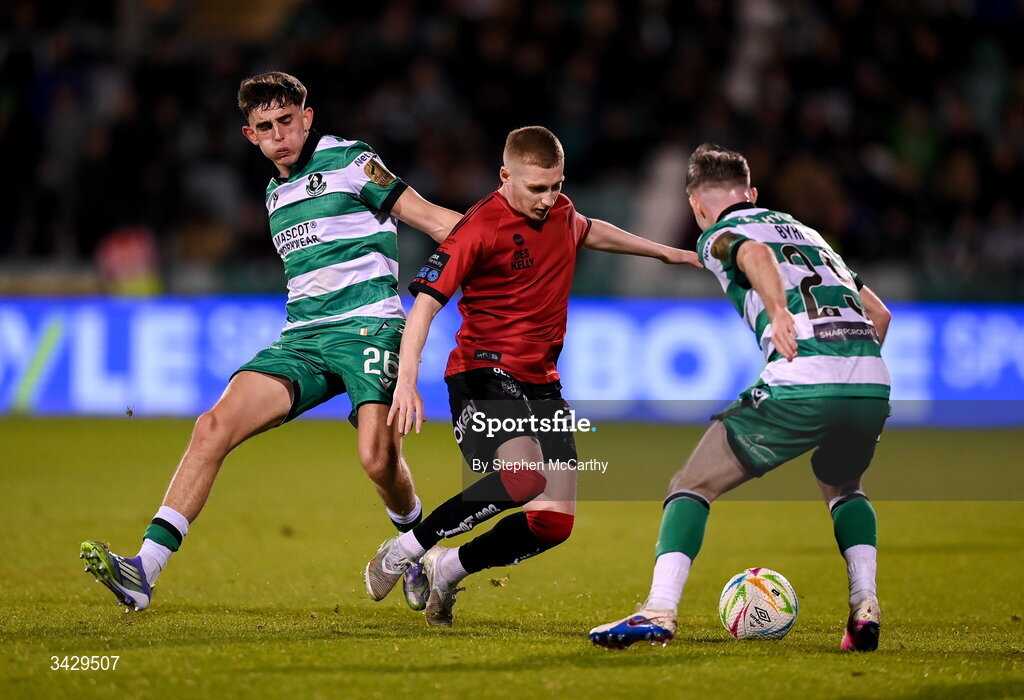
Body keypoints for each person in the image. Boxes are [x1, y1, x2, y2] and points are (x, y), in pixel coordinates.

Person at [80, 71, 463, 613]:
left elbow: (430, 219)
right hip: (303, 337)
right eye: (267, 126)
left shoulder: (350, 160)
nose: (280, 134)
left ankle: (415, 547)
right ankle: (145, 568)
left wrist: (499, 237)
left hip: (369, 329)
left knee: (377, 461)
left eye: (288, 121)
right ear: (250, 136)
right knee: (212, 426)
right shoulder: (273, 192)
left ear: (307, 119)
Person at [363, 126, 703, 626]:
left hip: (542, 381)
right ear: (505, 176)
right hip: (482, 370)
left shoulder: (562, 211)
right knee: (524, 479)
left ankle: (448, 569)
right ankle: (405, 548)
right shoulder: (480, 228)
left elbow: (587, 228)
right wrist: (409, 379)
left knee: (552, 523)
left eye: (556, 186)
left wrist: (666, 252)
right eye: (536, 189)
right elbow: (424, 307)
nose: (548, 200)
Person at [588, 143, 892, 652]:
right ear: (752, 193)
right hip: (870, 379)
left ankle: (659, 610)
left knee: (691, 483)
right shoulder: (809, 232)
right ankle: (864, 606)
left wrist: (777, 312)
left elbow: (755, 254)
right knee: (842, 486)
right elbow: (879, 314)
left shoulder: (718, 235)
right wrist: (844, 372)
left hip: (804, 376)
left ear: (696, 205)